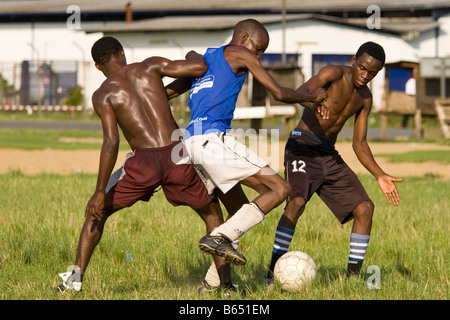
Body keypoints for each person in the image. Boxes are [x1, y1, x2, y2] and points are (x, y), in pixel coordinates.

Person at [56, 36, 239, 292]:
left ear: (98, 67)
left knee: (96, 212)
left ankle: (74, 280)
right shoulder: (150, 66)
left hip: (143, 162)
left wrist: (99, 193)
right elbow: (200, 69)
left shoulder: (103, 94)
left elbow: (111, 142)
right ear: (122, 53)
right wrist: (192, 54)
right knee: (212, 213)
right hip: (177, 155)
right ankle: (226, 285)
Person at [165, 18, 328, 272]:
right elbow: (279, 93)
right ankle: (219, 238)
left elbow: (165, 94)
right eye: (259, 49)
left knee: (240, 211)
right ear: (243, 38)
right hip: (212, 140)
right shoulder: (239, 52)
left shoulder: (203, 62)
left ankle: (214, 285)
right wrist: (310, 98)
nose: (259, 57)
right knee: (280, 189)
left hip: (191, 144)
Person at [266, 41, 402, 284]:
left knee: (365, 209)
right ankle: (270, 274)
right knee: (296, 202)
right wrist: (314, 102)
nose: (365, 76)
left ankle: (352, 280)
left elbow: (359, 144)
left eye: (373, 73)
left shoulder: (365, 99)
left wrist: (380, 175)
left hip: (328, 153)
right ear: (354, 60)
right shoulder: (332, 73)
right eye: (362, 68)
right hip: (302, 147)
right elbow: (302, 91)